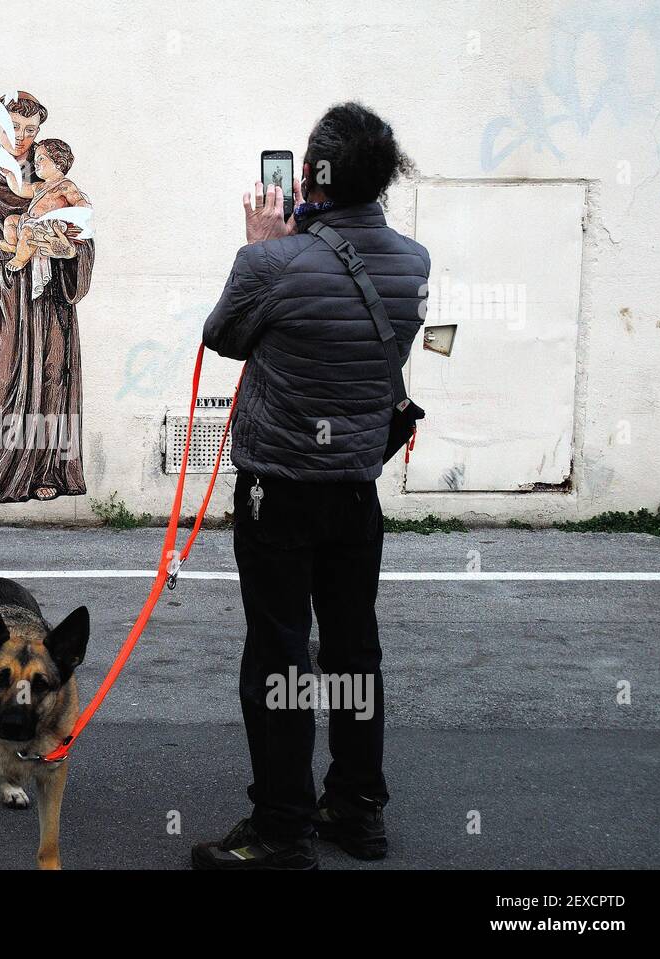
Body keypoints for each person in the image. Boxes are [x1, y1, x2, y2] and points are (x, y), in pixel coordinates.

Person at [192, 103, 430, 870]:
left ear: (312, 177)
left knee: (281, 654)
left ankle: (281, 829)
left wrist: (260, 247)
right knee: (355, 647)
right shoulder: (412, 264)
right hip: (356, 488)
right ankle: (358, 809)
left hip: (279, 491)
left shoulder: (273, 262)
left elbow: (224, 336)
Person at [0, 93, 95, 505]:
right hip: (5, 299)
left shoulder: (53, 180)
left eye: (31, 130)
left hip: (49, 300)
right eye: (14, 128)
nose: (22, 138)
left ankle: (50, 468)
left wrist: (70, 253)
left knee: (50, 378)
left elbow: (85, 236)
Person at [0, 138, 90, 274]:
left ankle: (19, 259)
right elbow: (20, 189)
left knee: (27, 233)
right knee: (10, 221)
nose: (36, 163)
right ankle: (13, 246)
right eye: (35, 160)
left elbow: (78, 201)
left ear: (58, 162)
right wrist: (9, 174)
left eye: (41, 159)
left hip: (47, 226)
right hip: (30, 220)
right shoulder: (39, 186)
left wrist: (79, 212)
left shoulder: (65, 185)